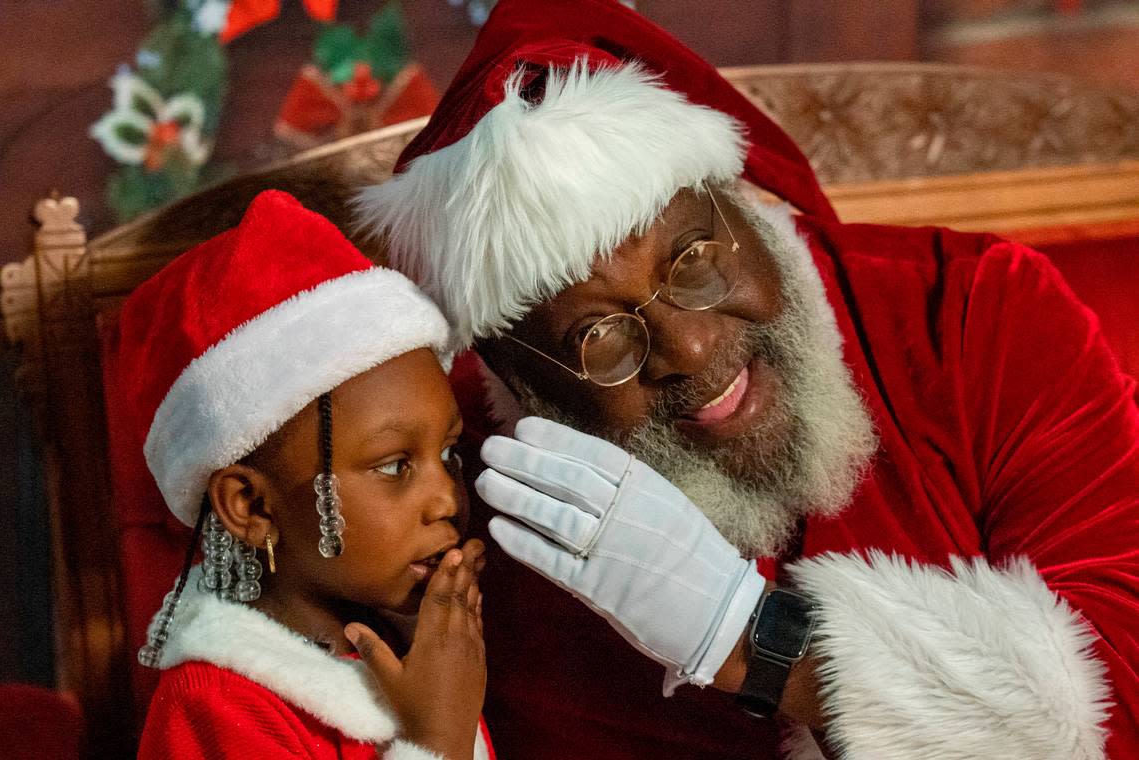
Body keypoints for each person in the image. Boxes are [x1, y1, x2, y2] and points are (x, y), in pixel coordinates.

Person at [352, 0, 1139, 757]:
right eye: (598, 336)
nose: (690, 351)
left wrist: (755, 642)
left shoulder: (973, 311)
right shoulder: (446, 489)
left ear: (740, 205)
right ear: (513, 377)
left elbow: (1119, 690)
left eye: (693, 259)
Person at [121, 190, 494, 760]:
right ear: (251, 506)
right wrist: (434, 741)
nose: (446, 497)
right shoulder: (213, 707)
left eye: (449, 454)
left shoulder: (421, 647)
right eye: (395, 465)